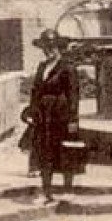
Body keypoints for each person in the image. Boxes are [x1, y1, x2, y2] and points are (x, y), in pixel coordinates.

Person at [21, 30, 81, 204]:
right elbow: (36, 91)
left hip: (60, 114)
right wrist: (31, 111)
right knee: (44, 150)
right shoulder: (42, 67)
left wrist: (72, 119)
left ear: (59, 48)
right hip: (43, 115)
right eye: (46, 47)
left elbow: (73, 94)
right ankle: (47, 191)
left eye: (52, 47)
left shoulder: (67, 68)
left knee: (65, 150)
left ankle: (68, 188)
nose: (49, 50)